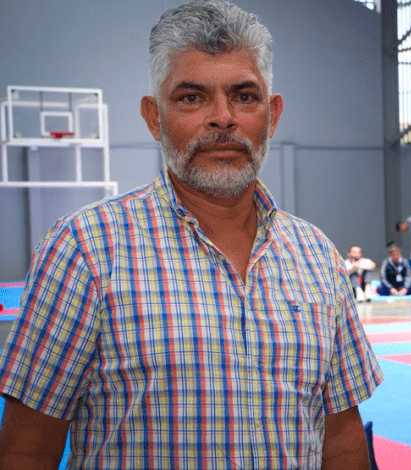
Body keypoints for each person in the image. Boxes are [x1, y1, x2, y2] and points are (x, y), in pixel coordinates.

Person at [0, 2, 383, 468]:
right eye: (192, 98)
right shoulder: (85, 249)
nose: (223, 118)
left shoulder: (316, 253)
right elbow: (28, 445)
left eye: (244, 96)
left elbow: (341, 436)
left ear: (272, 114)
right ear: (154, 117)